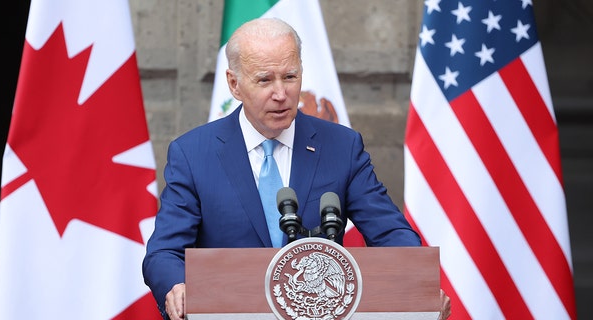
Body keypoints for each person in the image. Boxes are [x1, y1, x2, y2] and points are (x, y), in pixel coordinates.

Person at [142, 17, 451, 320]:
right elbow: (164, 252)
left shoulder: (341, 146)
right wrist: (177, 286)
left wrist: (417, 281)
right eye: (265, 79)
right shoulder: (194, 154)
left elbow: (389, 231)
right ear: (234, 84)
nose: (281, 93)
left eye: (290, 77)